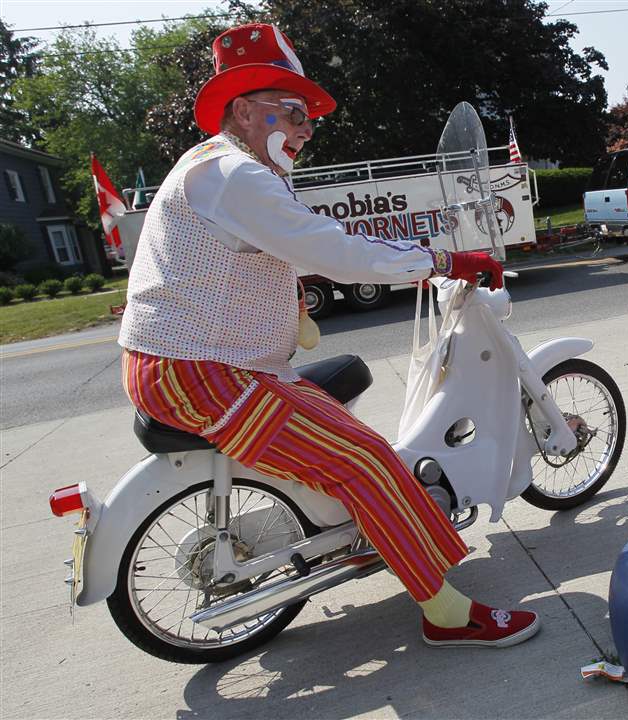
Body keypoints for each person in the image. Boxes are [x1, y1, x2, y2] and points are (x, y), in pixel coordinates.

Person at [118, 23, 539, 648]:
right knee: (365, 461)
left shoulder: (221, 170)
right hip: (201, 371)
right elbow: (333, 250)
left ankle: (375, 534)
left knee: (353, 437)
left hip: (209, 363)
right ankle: (447, 615)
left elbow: (286, 249)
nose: (306, 128)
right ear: (243, 110)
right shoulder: (234, 175)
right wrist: (442, 262)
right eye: (293, 111)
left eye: (309, 116)